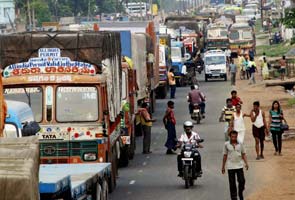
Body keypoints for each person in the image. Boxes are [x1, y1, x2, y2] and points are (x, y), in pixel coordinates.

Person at [222, 130, 249, 200]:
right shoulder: (226, 144)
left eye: (235, 137)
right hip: (230, 166)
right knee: (232, 184)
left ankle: (240, 192)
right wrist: (223, 167)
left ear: (237, 136)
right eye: (232, 137)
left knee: (242, 181)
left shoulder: (240, 144)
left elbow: (243, 154)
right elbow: (225, 155)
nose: (234, 138)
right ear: (230, 137)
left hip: (239, 165)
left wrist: (246, 163)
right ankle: (234, 197)